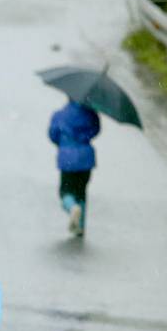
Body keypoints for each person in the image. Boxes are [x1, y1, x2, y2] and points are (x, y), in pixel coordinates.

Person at [48, 99, 99, 237]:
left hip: (67, 160)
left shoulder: (60, 115)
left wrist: (64, 142)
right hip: (85, 159)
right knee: (81, 191)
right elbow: (96, 130)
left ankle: (72, 208)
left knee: (65, 191)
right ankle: (80, 227)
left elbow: (53, 135)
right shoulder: (91, 114)